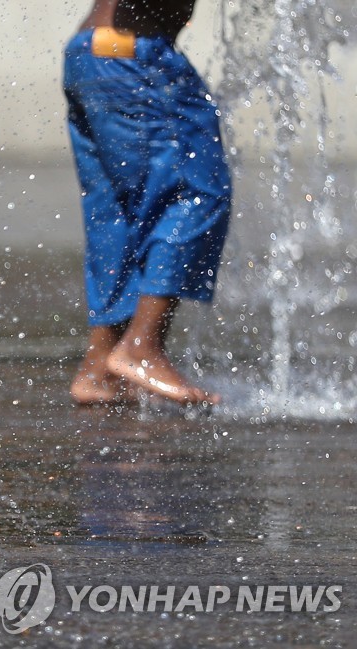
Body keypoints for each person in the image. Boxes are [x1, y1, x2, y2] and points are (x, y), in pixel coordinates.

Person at [64, 0, 231, 406]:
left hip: (92, 54)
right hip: (135, 58)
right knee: (194, 192)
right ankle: (141, 347)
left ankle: (101, 364)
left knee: (118, 212)